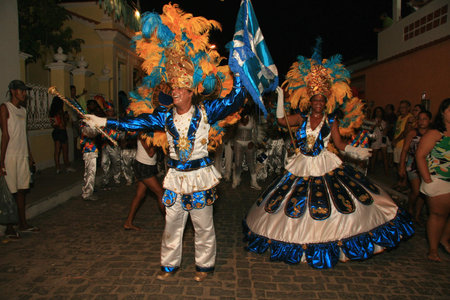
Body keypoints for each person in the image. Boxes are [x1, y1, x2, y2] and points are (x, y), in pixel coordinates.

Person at [83, 3, 247, 282]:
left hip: (199, 177)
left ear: (190, 91)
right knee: (173, 224)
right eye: (173, 88)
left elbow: (236, 100)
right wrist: (102, 123)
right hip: (174, 177)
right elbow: (134, 122)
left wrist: (239, 67)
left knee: (203, 225)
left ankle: (204, 267)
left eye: (180, 89)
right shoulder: (163, 116)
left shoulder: (207, 113)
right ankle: (169, 265)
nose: (175, 92)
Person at [243, 45, 414, 269]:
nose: (318, 104)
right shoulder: (302, 118)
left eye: (322, 101)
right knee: (294, 202)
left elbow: (340, 144)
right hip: (301, 164)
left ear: (326, 102)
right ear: (310, 101)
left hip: (324, 163)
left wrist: (356, 151)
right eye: (315, 100)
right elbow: (283, 122)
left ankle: (328, 239)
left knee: (327, 200)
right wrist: (281, 97)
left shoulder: (331, 121)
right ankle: (297, 240)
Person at [0, 80, 40, 237]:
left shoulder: (23, 111)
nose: (24, 93)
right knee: (10, 191)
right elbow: (5, 135)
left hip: (22, 154)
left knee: (22, 189)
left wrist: (30, 155)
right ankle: (10, 227)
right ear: (13, 91)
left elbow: (24, 134)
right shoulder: (5, 108)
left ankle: (22, 223)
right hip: (10, 155)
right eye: (21, 90)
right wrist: (1, 161)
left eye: (25, 91)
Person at [416, 98, 450, 262]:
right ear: (443, 113)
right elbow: (420, 156)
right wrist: (428, 180)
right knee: (438, 215)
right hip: (438, 179)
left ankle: (444, 239)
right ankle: (433, 250)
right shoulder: (435, 133)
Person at [123, 134, 165, 231]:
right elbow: (150, 153)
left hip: (147, 166)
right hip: (143, 167)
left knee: (140, 195)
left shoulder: (150, 132)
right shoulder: (143, 134)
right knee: (161, 194)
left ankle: (128, 222)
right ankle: (170, 221)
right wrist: (158, 143)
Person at [399, 110, 431, 225]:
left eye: (425, 119)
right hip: (412, 164)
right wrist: (401, 166)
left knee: (424, 191)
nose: (422, 121)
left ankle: (417, 214)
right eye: (420, 119)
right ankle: (410, 206)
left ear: (429, 120)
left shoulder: (432, 134)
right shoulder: (413, 133)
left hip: (427, 164)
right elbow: (405, 150)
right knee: (416, 191)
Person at [232, 103, 261, 190]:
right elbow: (232, 132)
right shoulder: (236, 118)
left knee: (251, 163)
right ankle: (236, 180)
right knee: (237, 163)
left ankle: (254, 182)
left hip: (249, 142)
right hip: (238, 142)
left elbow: (255, 132)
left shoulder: (252, 119)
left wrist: (253, 142)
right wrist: (232, 144)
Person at [80, 100, 103, 201]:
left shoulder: (89, 122)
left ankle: (88, 189)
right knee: (90, 172)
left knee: (89, 171)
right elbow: (90, 133)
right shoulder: (84, 123)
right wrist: (97, 129)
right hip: (89, 150)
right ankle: (87, 193)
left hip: (92, 149)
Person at [49, 96, 76, 174]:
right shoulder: (60, 112)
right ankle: (67, 166)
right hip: (62, 131)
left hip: (56, 131)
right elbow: (63, 123)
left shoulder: (52, 112)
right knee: (65, 150)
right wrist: (65, 117)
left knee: (57, 151)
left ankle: (58, 167)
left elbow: (54, 124)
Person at [392, 100, 414, 190]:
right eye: (400, 107)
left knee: (403, 165)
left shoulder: (410, 117)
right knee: (398, 164)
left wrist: (396, 140)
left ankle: (404, 184)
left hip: (403, 144)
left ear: (408, 108)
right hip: (397, 144)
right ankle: (399, 183)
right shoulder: (400, 117)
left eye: (404, 107)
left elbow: (406, 132)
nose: (401, 109)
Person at [369, 106, 389, 175]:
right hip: (375, 139)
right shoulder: (373, 120)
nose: (378, 113)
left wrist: (381, 127)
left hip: (383, 139)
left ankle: (386, 171)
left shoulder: (384, 122)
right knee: (374, 155)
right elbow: (370, 130)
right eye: (377, 111)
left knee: (385, 155)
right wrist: (375, 125)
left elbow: (385, 131)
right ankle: (372, 170)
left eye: (379, 111)